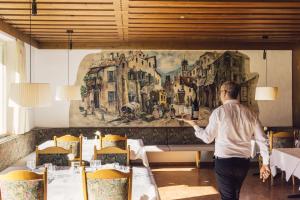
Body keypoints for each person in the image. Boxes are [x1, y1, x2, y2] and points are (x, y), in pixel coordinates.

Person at [179, 81, 270, 200]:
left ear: (226, 92)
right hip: (243, 163)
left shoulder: (218, 112)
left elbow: (207, 138)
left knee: (228, 197)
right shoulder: (251, 113)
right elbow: (262, 139)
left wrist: (194, 125)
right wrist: (265, 163)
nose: (219, 94)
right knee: (234, 194)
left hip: (224, 163)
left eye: (220, 91)